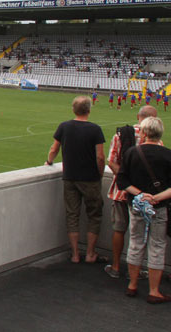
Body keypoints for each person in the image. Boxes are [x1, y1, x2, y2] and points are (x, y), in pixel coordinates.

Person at [45, 96, 106, 264]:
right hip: (90, 179)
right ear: (89, 110)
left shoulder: (64, 126)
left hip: (70, 177)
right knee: (94, 214)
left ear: (73, 109)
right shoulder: (95, 129)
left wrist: (49, 161)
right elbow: (100, 157)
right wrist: (99, 174)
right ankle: (90, 253)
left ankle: (74, 254)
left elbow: (54, 148)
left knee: (72, 214)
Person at [117, 117, 171, 303]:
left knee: (135, 242)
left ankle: (132, 285)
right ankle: (154, 291)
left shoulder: (132, 153)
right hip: (159, 207)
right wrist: (155, 198)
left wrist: (140, 195)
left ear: (144, 133)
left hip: (137, 205)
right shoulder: (167, 155)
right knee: (157, 245)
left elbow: (122, 181)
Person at [104, 105, 159, 279]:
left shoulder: (120, 135)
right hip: (144, 195)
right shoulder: (156, 140)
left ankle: (115, 266)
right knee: (141, 233)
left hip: (121, 191)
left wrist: (125, 180)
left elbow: (111, 162)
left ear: (138, 116)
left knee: (119, 229)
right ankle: (136, 271)